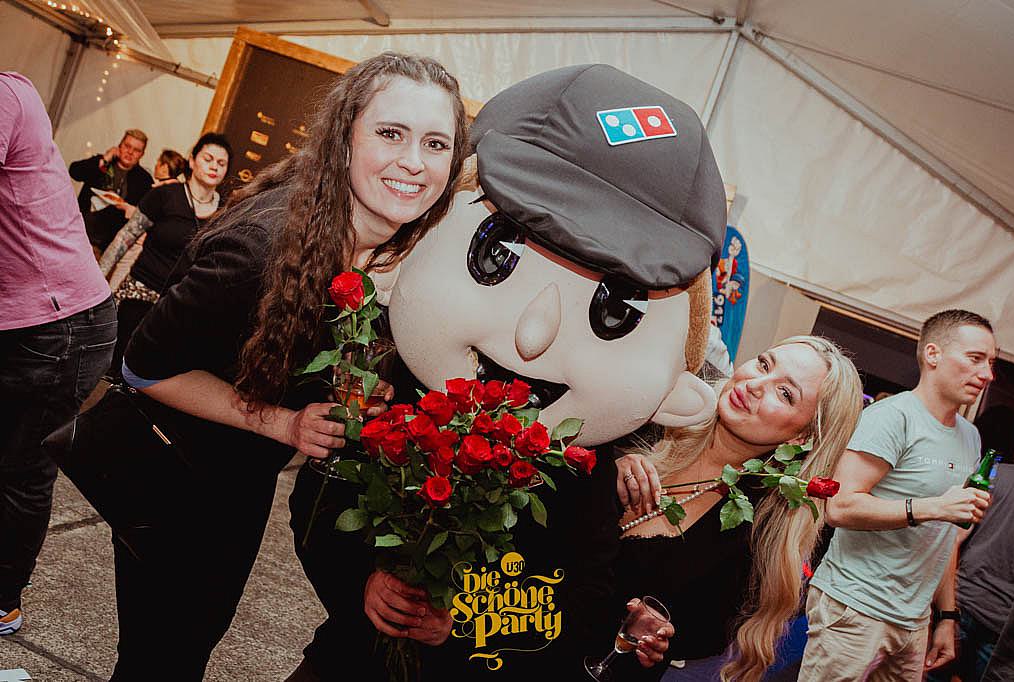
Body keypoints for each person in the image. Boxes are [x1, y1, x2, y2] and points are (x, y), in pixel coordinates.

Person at [290, 64, 731, 680]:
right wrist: (361, 580)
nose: (533, 334)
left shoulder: (584, 466)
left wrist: (466, 625)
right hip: (344, 659)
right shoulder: (399, 397)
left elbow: (583, 600)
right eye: (497, 252)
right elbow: (321, 501)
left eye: (618, 307)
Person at [104, 53, 468, 680]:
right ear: (345, 134)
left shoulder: (363, 245)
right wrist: (284, 423)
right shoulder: (260, 249)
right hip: (176, 488)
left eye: (436, 143)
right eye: (391, 133)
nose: (414, 161)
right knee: (161, 661)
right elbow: (141, 367)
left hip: (236, 485)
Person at [614, 336, 863, 681]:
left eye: (785, 393)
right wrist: (609, 467)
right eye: (763, 363)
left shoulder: (757, 529)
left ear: (802, 438)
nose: (756, 384)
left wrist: (661, 636)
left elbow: (706, 633)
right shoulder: (653, 414)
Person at [800, 309, 997, 681]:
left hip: (913, 619)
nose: (987, 374)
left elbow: (946, 537)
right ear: (933, 354)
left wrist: (947, 616)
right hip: (855, 607)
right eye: (975, 358)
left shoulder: (970, 436)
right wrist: (934, 506)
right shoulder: (892, 417)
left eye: (990, 363)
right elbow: (840, 507)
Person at [0, 72, 117, 635]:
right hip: (30, 320)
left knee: (20, 468)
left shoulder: (5, 93)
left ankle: (2, 600)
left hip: (60, 325)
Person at [98, 133, 232, 377]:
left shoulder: (226, 214)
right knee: (115, 370)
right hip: (139, 295)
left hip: (179, 308)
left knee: (150, 377)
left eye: (221, 163)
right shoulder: (165, 195)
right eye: (208, 159)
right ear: (192, 160)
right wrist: (98, 282)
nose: (214, 166)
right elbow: (125, 238)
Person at [926, 457, 1014, 682]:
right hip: (1000, 627)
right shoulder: (994, 474)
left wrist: (946, 614)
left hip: (962, 604)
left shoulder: (996, 474)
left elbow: (951, 539)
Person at [68, 129, 153, 255]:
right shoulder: (104, 163)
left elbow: (146, 215)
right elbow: (74, 171)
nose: (130, 152)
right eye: (127, 146)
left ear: (142, 154)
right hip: (76, 231)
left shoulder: (144, 180)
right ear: (119, 146)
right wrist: (104, 159)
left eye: (136, 150)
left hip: (105, 246)